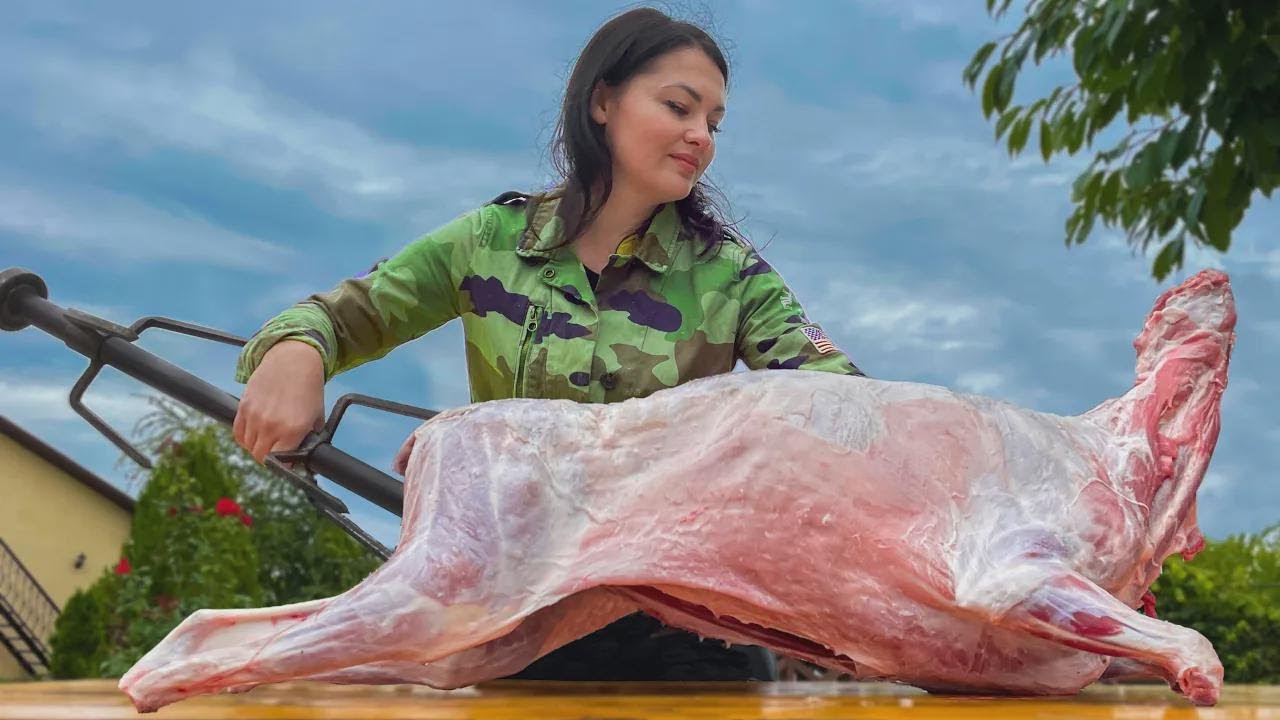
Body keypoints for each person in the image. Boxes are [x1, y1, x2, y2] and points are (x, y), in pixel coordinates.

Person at [232, 6, 864, 682]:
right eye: (679, 106)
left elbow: (835, 384)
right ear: (603, 101)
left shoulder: (732, 276)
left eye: (712, 122)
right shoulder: (490, 241)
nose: (699, 136)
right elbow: (341, 312)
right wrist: (297, 351)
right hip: (515, 631)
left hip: (693, 641)